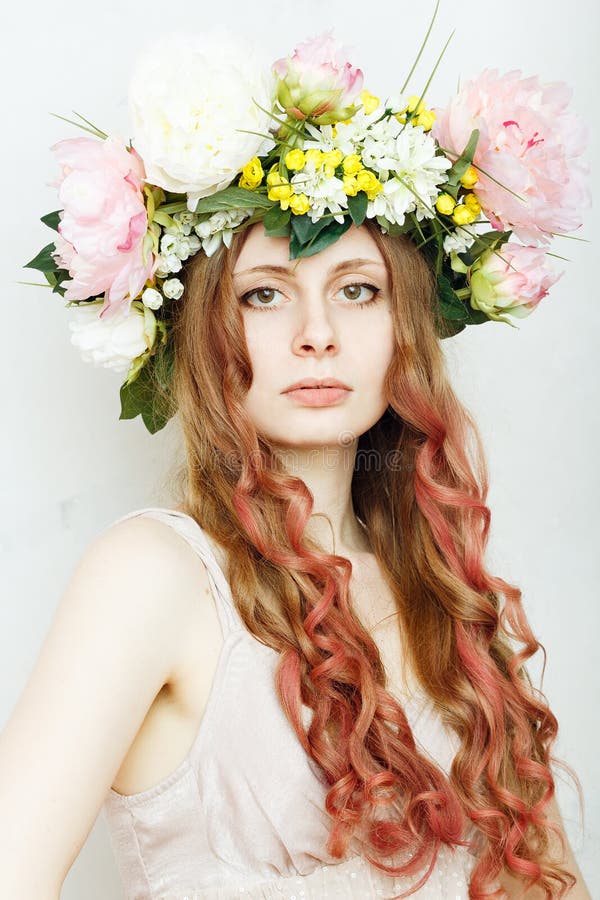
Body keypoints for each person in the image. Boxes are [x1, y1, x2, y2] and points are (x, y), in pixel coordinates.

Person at [1, 17, 592, 900]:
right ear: (202, 329)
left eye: (357, 291)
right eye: (266, 295)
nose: (317, 336)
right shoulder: (155, 576)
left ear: (405, 328)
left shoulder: (446, 594)